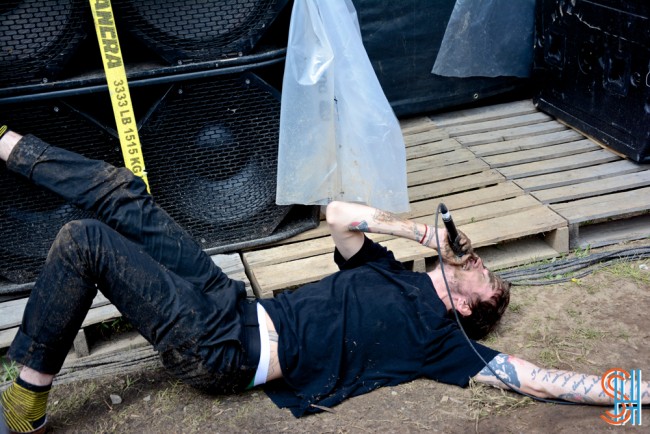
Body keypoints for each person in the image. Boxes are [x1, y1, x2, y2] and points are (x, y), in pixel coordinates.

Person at [0, 127, 647, 433]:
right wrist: (424, 235)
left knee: (83, 241)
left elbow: (533, 378)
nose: (480, 263)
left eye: (488, 278)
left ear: (476, 307)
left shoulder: (446, 342)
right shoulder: (385, 269)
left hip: (225, 348)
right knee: (124, 194)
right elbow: (338, 214)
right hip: (229, 304)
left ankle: (24, 402)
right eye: (481, 260)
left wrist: (633, 391)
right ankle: (9, 144)